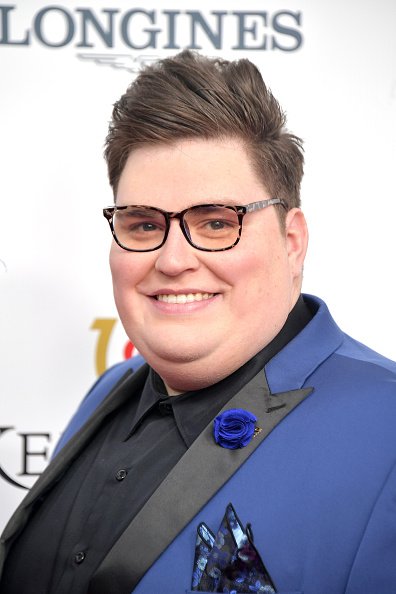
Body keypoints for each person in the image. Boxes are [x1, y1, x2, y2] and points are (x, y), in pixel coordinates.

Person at [1, 50, 396, 594]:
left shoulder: (388, 426)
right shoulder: (108, 390)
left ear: (291, 241)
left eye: (215, 222)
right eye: (142, 224)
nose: (172, 259)